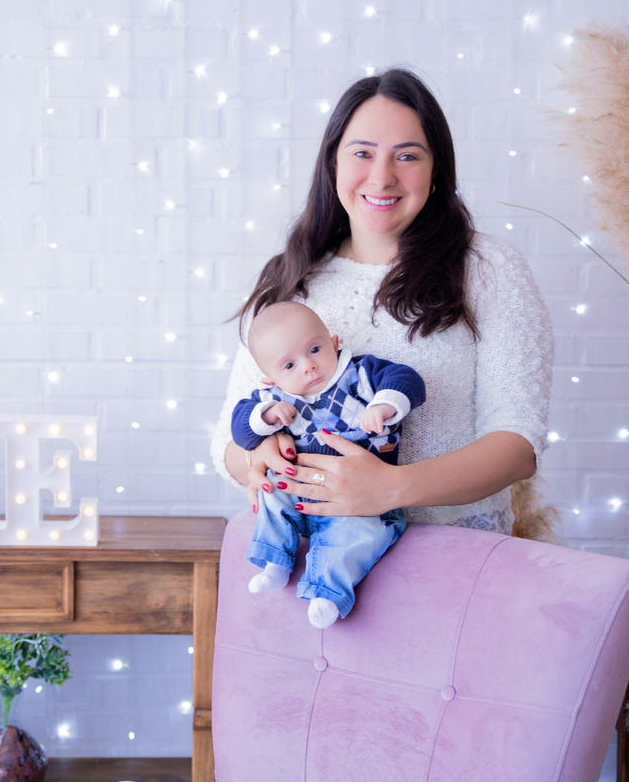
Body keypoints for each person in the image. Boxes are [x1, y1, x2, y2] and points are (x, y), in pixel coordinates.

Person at [211, 67, 553, 543]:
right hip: (307, 565)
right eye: (362, 153)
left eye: (407, 156)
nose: (382, 176)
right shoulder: (291, 278)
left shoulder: (489, 270)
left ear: (436, 171)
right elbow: (224, 446)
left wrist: (391, 488)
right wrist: (258, 455)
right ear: (333, 163)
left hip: (450, 565)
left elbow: (518, 447)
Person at [231, 301, 426, 628]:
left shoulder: (361, 374)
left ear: (334, 343)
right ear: (270, 377)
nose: (308, 366)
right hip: (302, 492)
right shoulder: (274, 399)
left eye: (315, 349)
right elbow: (240, 428)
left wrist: (384, 403)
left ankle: (327, 593)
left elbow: (406, 379)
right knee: (272, 493)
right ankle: (275, 562)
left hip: (365, 502)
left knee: (356, 537)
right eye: (289, 365)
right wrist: (264, 418)